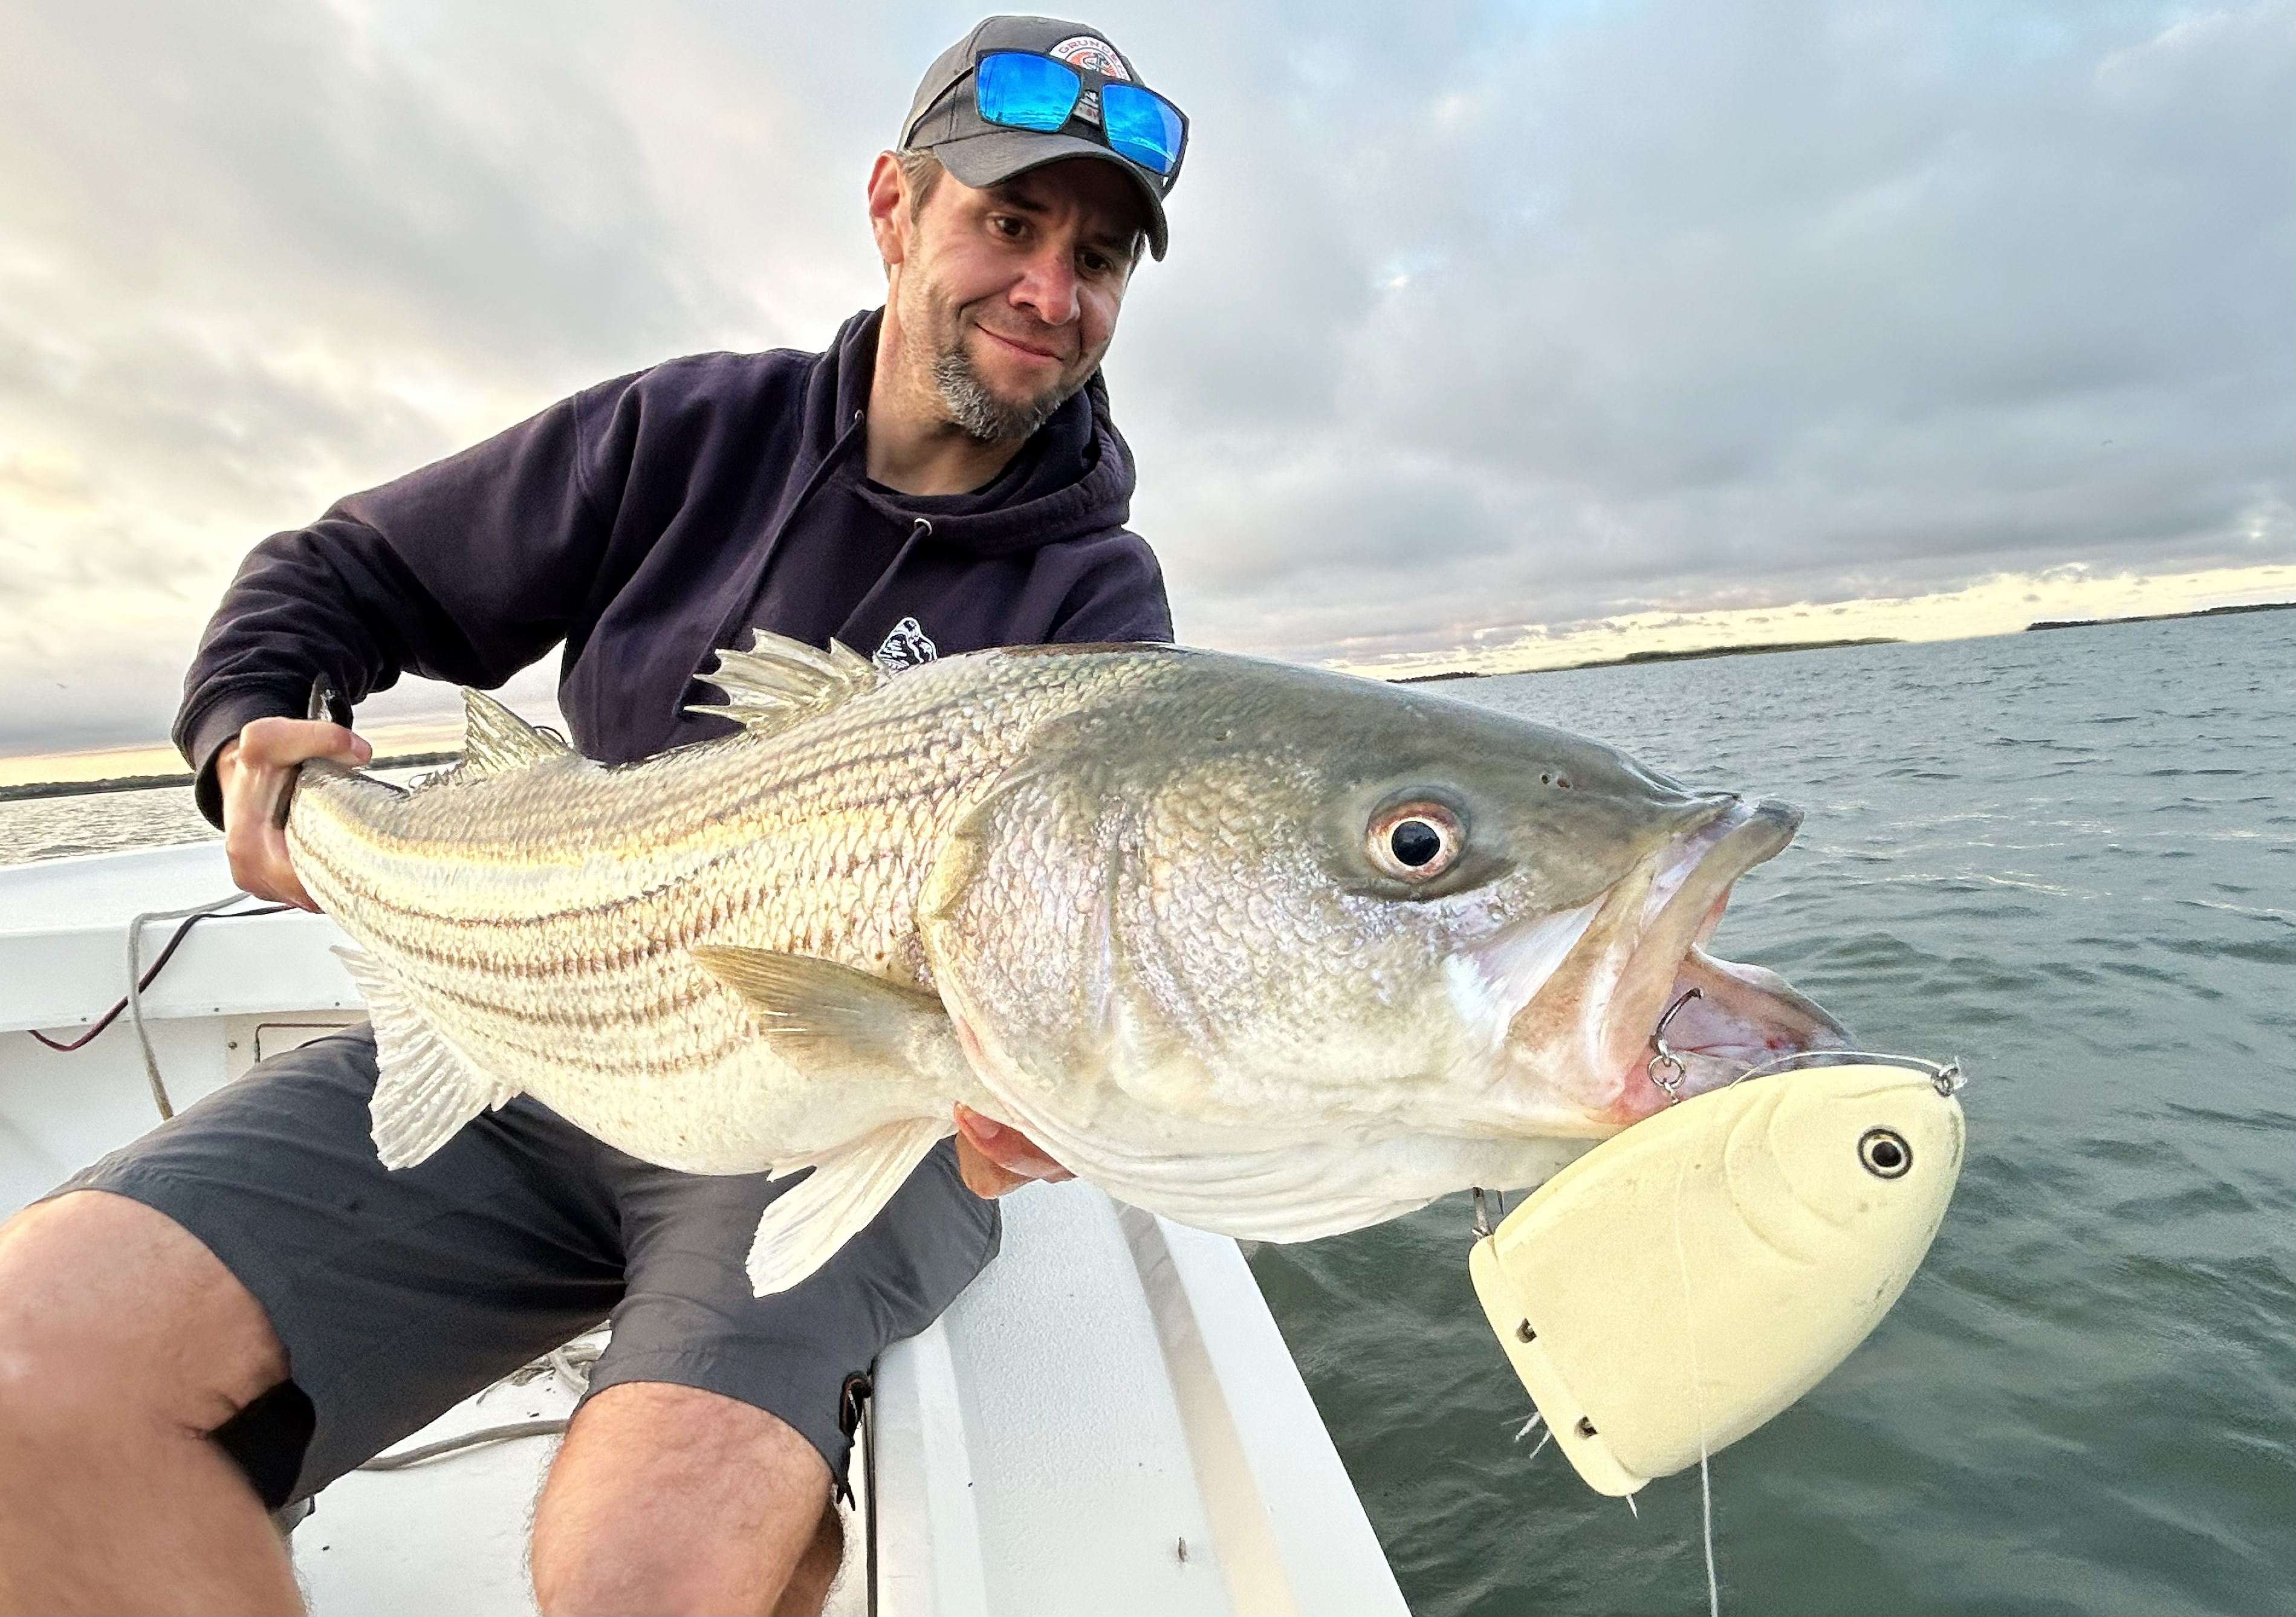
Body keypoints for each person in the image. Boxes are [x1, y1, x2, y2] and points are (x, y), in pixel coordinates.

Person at [0, 16, 1185, 1614]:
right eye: (1011, 222)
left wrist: (1057, 1080)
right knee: (31, 1372)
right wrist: (252, 742)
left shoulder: (1098, 600)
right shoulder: (691, 433)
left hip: (847, 1103)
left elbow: (1089, 938)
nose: (1054, 290)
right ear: (896, 208)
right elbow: (335, 575)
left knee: (652, 1563)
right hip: (539, 995)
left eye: (1102, 257)